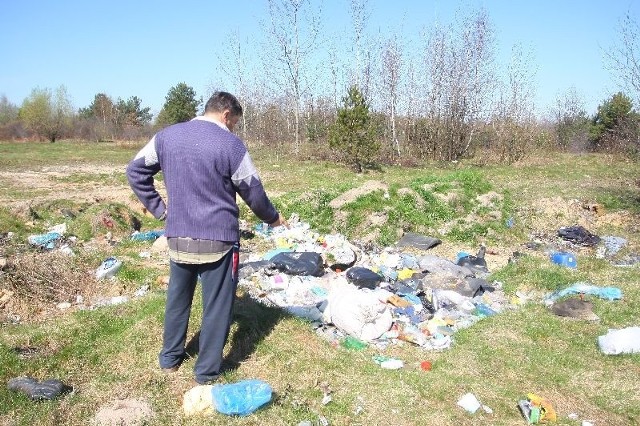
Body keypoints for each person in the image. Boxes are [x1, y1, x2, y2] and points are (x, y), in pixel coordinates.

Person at [126, 91, 287, 384]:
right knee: (217, 306)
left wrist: (161, 211)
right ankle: (206, 371)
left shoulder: (165, 137)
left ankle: (170, 359)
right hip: (219, 241)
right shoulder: (231, 146)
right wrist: (273, 219)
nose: (234, 128)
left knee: (177, 299)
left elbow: (135, 170)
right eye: (235, 122)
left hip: (178, 237)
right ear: (226, 115)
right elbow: (254, 192)